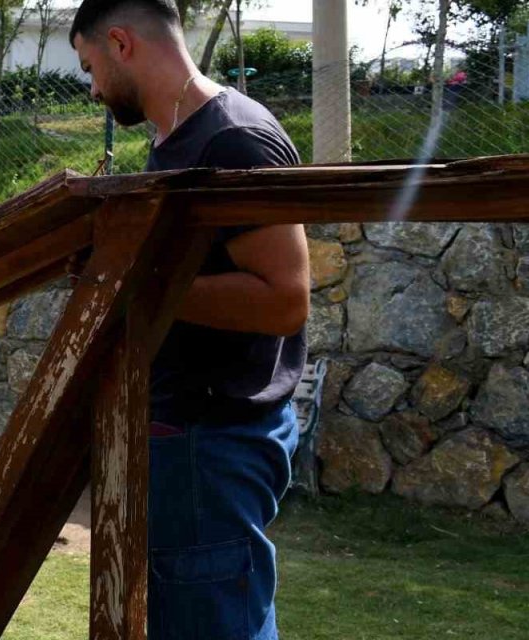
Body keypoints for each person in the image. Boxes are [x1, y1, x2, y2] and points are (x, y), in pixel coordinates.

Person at [70, 1, 310, 639]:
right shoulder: (174, 140)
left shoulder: (232, 137)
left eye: (89, 66)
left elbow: (285, 298)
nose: (92, 88)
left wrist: (128, 285)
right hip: (183, 437)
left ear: (121, 42)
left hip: (213, 442)